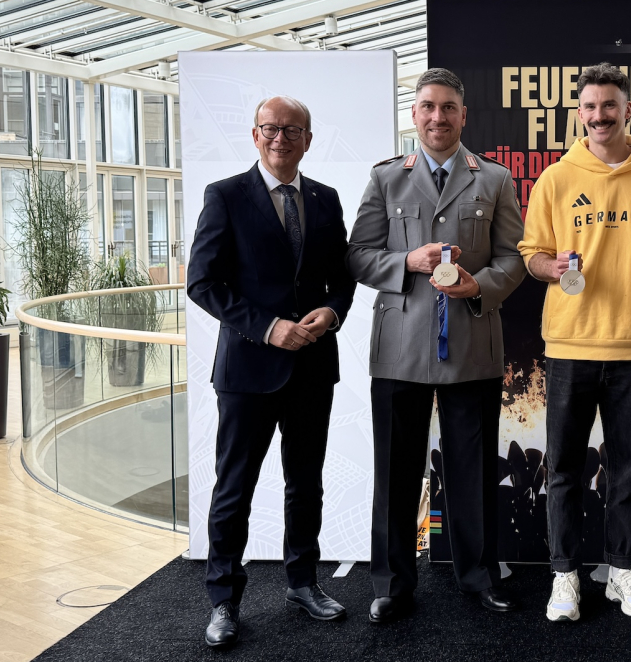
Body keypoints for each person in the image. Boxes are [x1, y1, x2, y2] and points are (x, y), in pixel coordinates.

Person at [347, 68, 527, 623]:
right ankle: (392, 584)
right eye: (427, 107)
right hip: (401, 347)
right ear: (414, 114)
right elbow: (357, 255)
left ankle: (478, 577)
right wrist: (407, 261)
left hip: (471, 342)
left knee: (473, 471)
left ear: (463, 115)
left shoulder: (493, 179)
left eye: (448, 108)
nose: (437, 117)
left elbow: (514, 259)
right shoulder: (386, 179)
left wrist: (482, 286)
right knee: (395, 472)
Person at [186, 95, 357, 648]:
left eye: (292, 129)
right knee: (234, 488)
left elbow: (344, 278)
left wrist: (332, 312)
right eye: (270, 128)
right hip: (247, 371)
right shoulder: (226, 196)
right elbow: (203, 283)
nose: (280, 137)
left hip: (312, 367)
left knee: (305, 485)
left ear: (307, 139)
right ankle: (223, 600)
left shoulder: (326, 199)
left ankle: (302, 583)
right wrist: (266, 327)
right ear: (254, 135)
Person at [518, 62, 631, 623]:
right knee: (562, 468)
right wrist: (549, 264)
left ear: (628, 109)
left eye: (609, 105)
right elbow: (530, 254)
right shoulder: (557, 179)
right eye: (589, 107)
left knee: (629, 467)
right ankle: (564, 576)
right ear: (578, 113)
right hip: (568, 345)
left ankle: (622, 570)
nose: (599, 115)